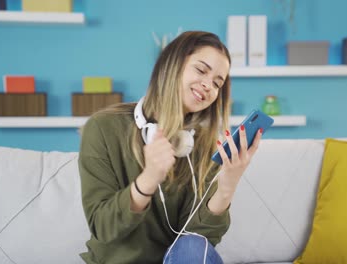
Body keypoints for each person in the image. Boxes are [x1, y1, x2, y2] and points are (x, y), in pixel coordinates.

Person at [78, 31, 263, 264]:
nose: (208, 85)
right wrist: (148, 180)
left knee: (193, 248)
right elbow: (103, 228)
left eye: (217, 83)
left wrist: (227, 185)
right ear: (172, 65)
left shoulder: (200, 145)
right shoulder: (104, 128)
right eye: (201, 70)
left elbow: (199, 240)